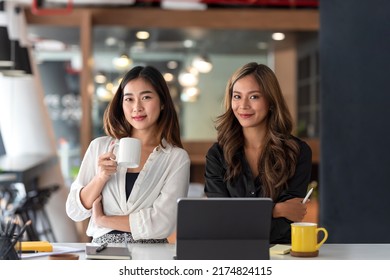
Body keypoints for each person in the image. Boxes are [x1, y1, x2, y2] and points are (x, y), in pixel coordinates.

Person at [66, 65, 190, 244]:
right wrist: (100, 178)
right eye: (129, 99)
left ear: (163, 102)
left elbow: (163, 223)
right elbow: (74, 210)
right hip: (102, 255)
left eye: (146, 97)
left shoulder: (176, 158)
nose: (137, 107)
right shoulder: (100, 147)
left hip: (151, 258)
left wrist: (103, 220)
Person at [204, 62, 312, 244]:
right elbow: (220, 218)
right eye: (237, 96)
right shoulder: (217, 155)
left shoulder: (297, 152)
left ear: (270, 101)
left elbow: (288, 221)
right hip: (230, 256)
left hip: (281, 256)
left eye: (254, 97)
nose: (243, 105)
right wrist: (275, 210)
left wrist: (241, 217)